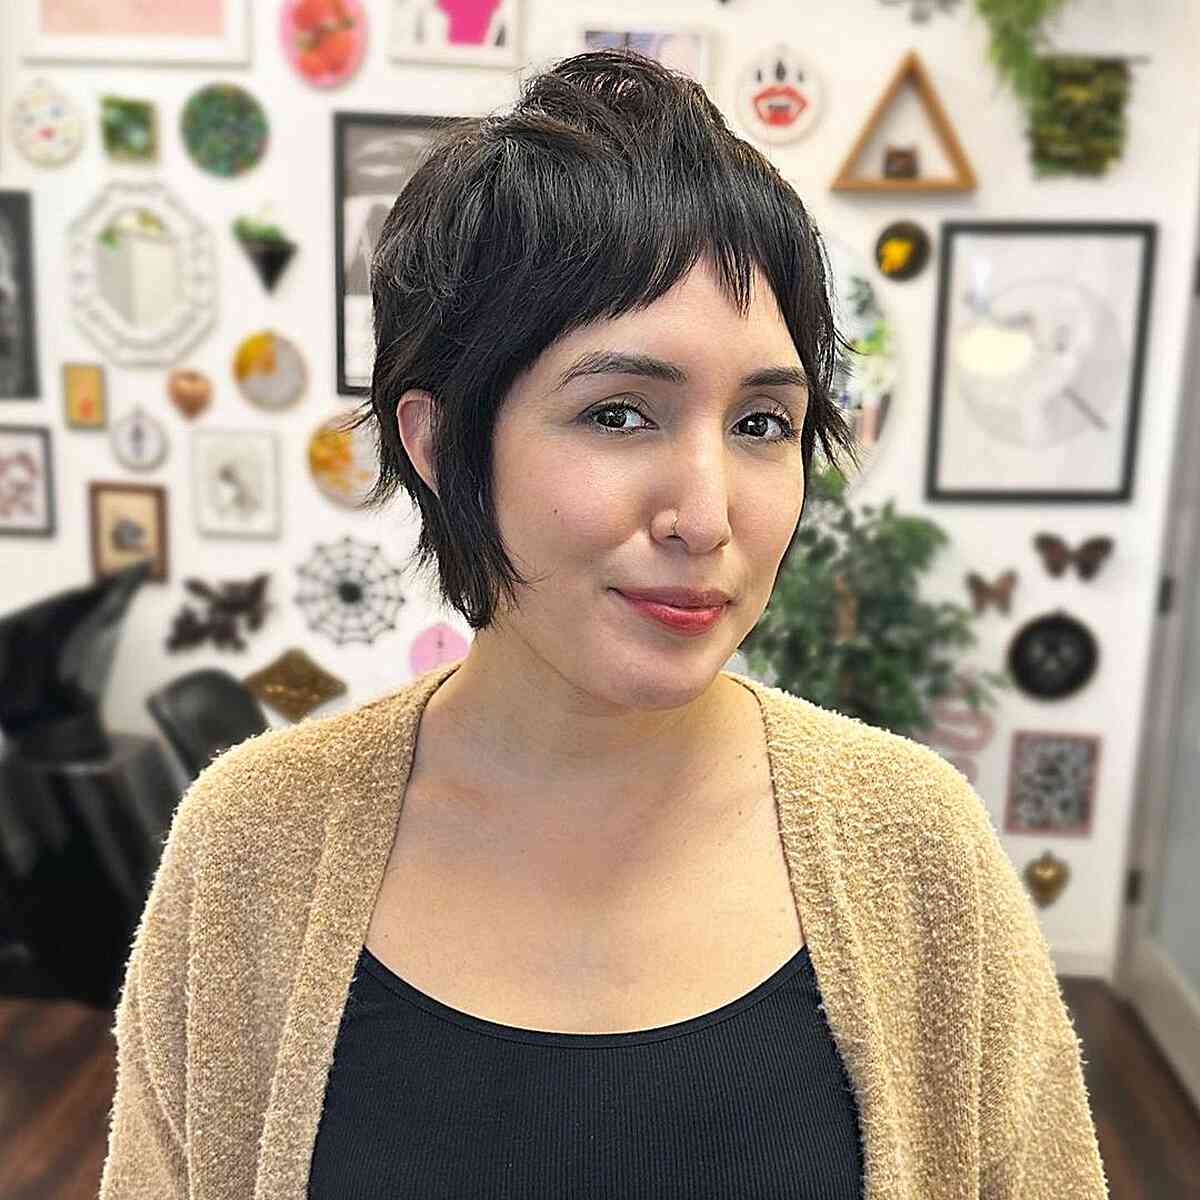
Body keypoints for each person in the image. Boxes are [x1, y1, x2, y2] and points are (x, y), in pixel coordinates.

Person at [99, 49, 1109, 1200]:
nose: (706, 516)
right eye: (619, 412)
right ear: (439, 443)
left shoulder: (915, 847)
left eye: (763, 424)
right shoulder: (253, 847)